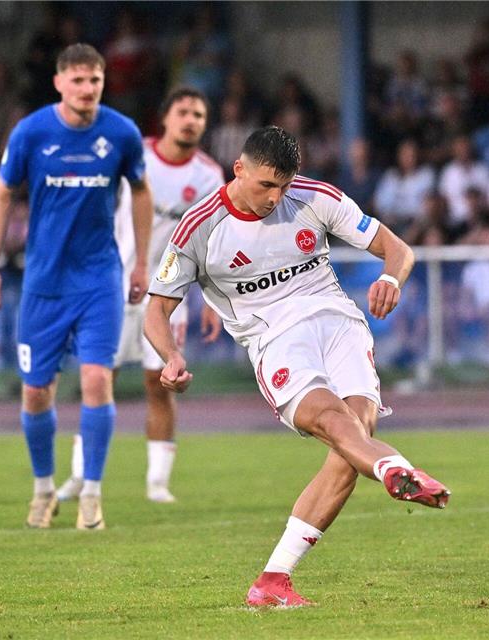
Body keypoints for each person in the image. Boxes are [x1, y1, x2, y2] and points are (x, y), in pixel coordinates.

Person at [143, 126, 450, 608]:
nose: (276, 197)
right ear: (238, 169)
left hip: (339, 322)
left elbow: (399, 248)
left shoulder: (314, 197)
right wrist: (172, 355)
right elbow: (156, 309)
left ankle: (272, 582)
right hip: (275, 338)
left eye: (284, 185)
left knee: (354, 439)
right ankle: (394, 468)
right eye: (266, 185)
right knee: (338, 426)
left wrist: (391, 275)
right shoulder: (200, 227)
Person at [0, 44, 152, 529]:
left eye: (94, 80)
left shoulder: (121, 133)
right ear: (59, 83)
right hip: (44, 284)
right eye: (77, 80)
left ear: (102, 83)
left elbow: (140, 192)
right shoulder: (32, 133)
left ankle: (92, 494)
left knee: (97, 380)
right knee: (37, 393)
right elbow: (0, 195)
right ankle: (42, 489)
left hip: (99, 280)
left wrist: (140, 263)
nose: (87, 89)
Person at [56, 87, 224, 504]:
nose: (191, 120)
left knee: (160, 383)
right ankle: (80, 475)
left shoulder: (208, 175)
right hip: (113, 285)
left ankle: (157, 484)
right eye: (183, 111)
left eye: (199, 114)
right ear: (164, 118)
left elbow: (213, 243)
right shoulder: (136, 153)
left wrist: (215, 300)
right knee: (99, 380)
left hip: (169, 296)